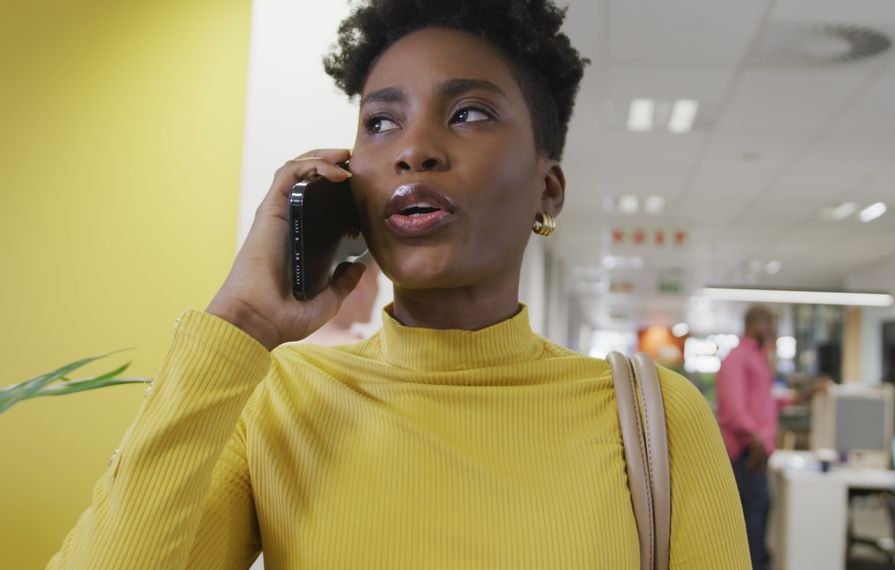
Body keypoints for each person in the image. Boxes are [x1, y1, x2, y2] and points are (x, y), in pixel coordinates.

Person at [46, 1, 750, 568]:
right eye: (381, 121)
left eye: (469, 112)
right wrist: (241, 323)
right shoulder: (279, 400)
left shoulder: (656, 416)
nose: (413, 148)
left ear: (549, 188)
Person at [714, 305, 780, 570]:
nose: (773, 330)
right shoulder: (738, 357)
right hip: (745, 450)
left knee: (757, 508)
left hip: (756, 447)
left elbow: (763, 403)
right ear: (755, 323)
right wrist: (755, 439)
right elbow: (732, 409)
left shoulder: (758, 357)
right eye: (770, 322)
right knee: (756, 508)